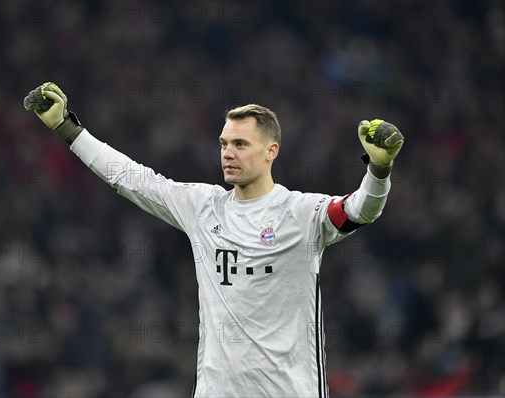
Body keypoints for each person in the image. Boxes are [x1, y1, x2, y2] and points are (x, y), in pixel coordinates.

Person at [23, 82, 404, 397]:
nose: (228, 153)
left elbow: (359, 210)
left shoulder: (301, 213)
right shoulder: (202, 207)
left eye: (240, 145)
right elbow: (130, 177)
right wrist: (67, 129)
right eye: (224, 144)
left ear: (271, 151)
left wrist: (379, 169)